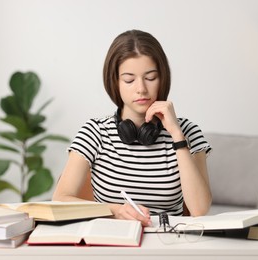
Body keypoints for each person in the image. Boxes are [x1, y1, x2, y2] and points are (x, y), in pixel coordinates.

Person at [52, 29, 212, 227]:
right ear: (115, 82)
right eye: (129, 80)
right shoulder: (95, 132)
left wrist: (177, 135)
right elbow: (60, 200)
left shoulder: (188, 131)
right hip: (112, 242)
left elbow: (200, 209)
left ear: (162, 78)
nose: (141, 89)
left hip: (168, 245)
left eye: (151, 78)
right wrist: (114, 211)